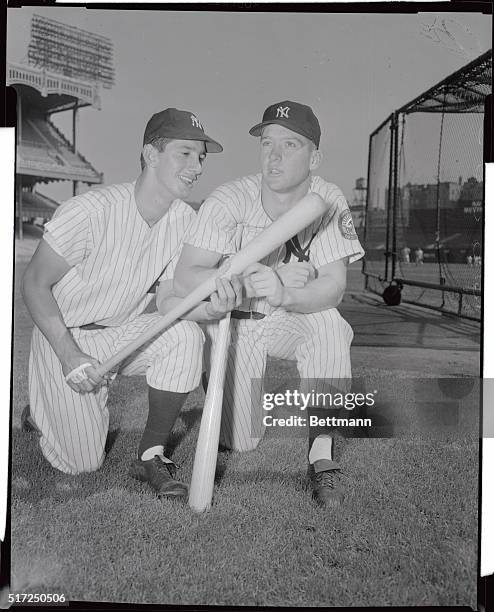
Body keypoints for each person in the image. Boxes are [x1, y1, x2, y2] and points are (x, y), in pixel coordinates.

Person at [21, 107, 237, 498]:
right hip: (66, 339)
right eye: (185, 153)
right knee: (82, 463)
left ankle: (150, 455)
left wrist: (211, 309)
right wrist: (69, 355)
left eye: (201, 157)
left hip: (122, 337)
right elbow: (35, 283)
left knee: (186, 336)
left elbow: (171, 297)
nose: (197, 166)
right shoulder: (90, 211)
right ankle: (41, 412)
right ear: (151, 155)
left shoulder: (185, 220)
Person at [172, 100, 364, 508]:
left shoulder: (327, 197)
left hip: (286, 317)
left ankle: (322, 457)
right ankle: (224, 396)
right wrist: (251, 282)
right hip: (234, 324)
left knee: (330, 324)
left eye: (289, 145)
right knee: (239, 441)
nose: (273, 156)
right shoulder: (229, 199)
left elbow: (333, 287)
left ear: (315, 157)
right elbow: (186, 275)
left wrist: (288, 293)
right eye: (267, 143)